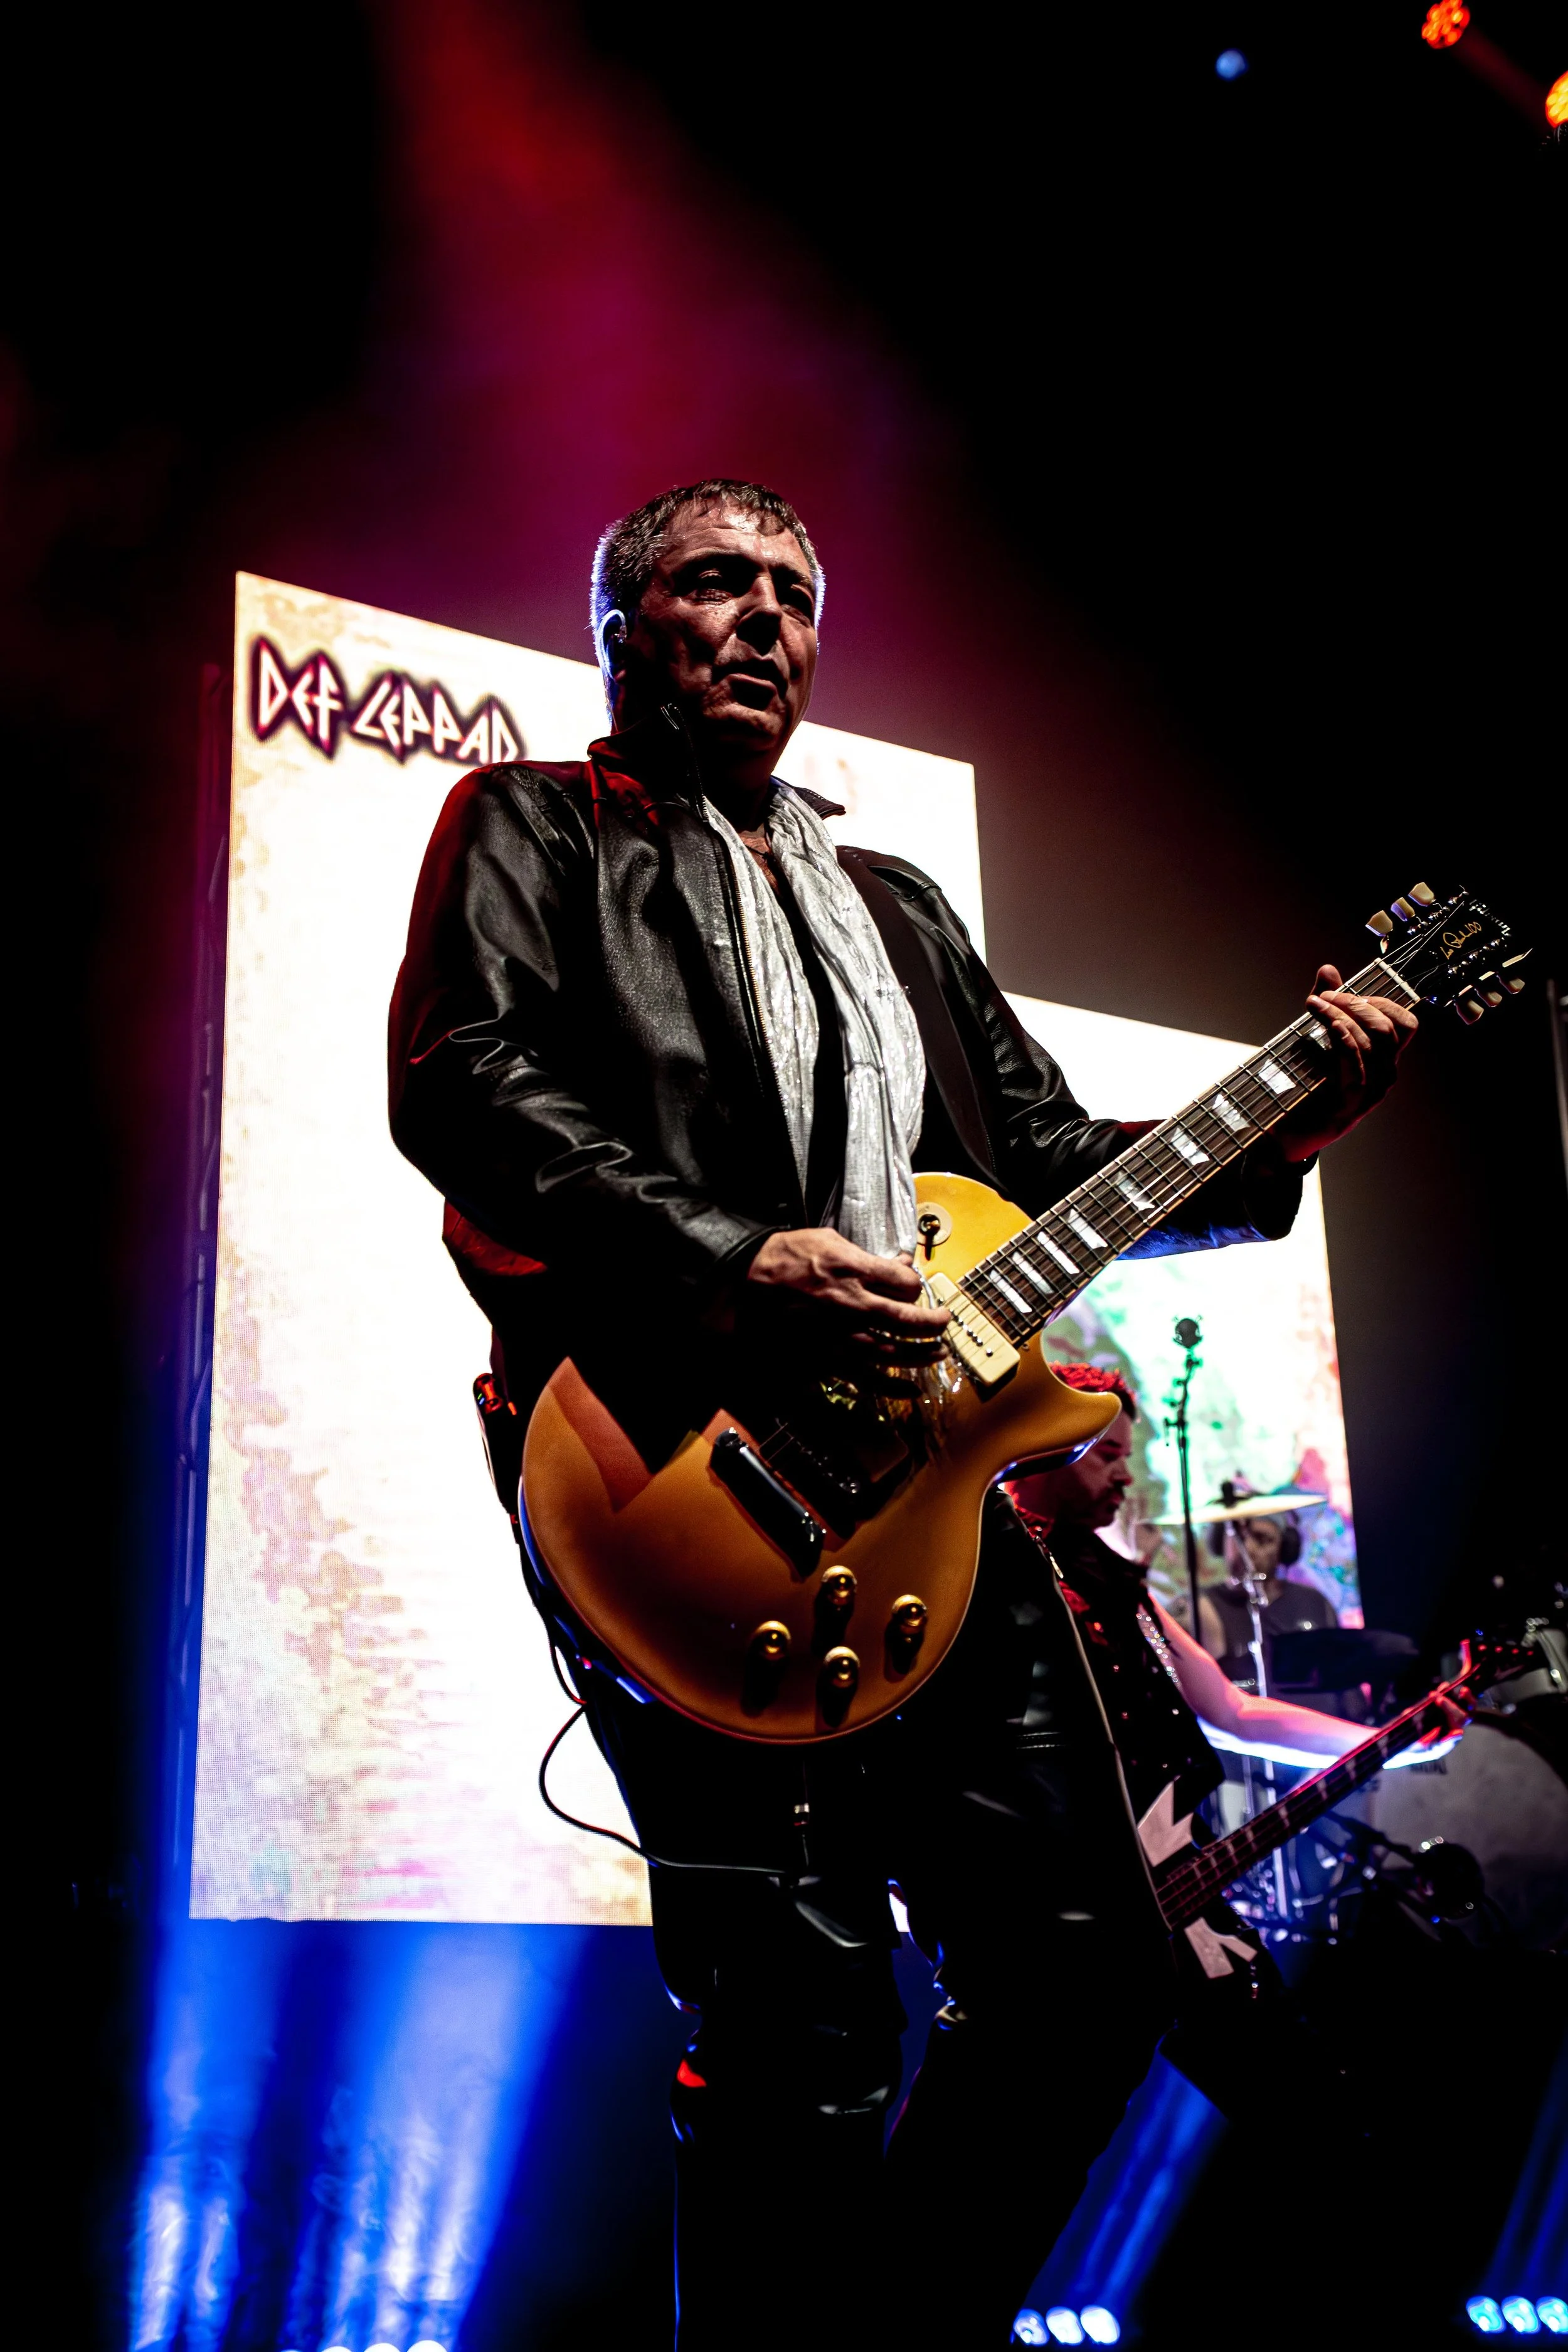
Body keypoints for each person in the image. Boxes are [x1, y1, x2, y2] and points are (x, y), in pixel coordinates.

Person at [388, 479, 1417, 2349]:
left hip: (934, 1486)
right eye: (716, 582)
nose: (765, 619)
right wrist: (730, 1258)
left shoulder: (897, 906)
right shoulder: (532, 824)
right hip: (683, 1475)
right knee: (799, 2023)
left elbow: (1040, 1157)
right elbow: (463, 1081)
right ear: (622, 625)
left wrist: (1289, 1124)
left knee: (1093, 1981)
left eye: (795, 593)